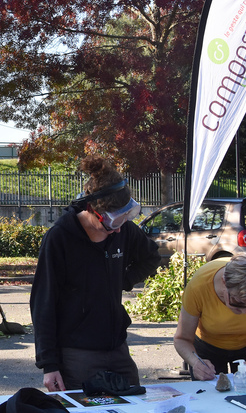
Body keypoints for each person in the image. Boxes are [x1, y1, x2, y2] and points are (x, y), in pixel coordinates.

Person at [30, 155, 160, 391]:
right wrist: (49, 364)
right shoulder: (60, 238)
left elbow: (151, 257)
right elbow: (43, 302)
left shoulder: (124, 231)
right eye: (111, 222)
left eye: (125, 217)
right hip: (76, 353)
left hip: (117, 347)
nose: (118, 228)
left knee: (135, 404)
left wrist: (123, 280)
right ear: (91, 209)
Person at [173, 251, 246, 380]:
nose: (245, 313)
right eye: (238, 303)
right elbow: (182, 339)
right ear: (224, 282)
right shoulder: (199, 286)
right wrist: (196, 363)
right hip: (208, 347)